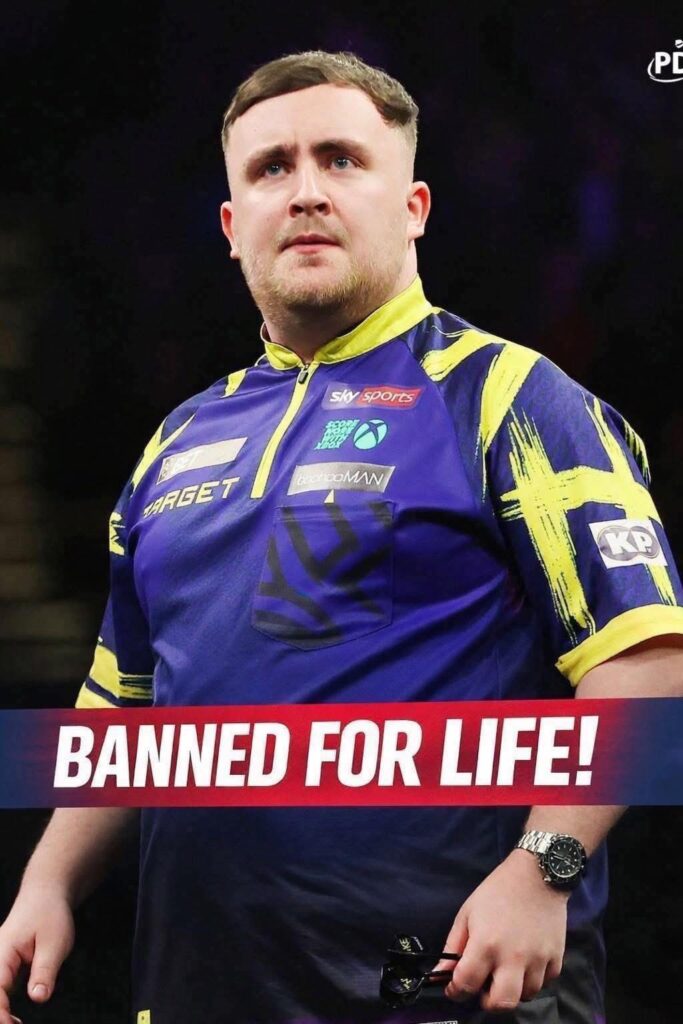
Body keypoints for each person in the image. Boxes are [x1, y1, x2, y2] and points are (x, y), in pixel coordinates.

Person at [1, 50, 682, 1024]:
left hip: (435, 989)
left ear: (412, 207)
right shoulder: (177, 440)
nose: (306, 191)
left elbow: (646, 663)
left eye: (342, 160)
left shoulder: (511, 399)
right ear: (231, 227)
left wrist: (545, 868)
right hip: (201, 988)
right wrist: (47, 881)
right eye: (270, 168)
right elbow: (125, 700)